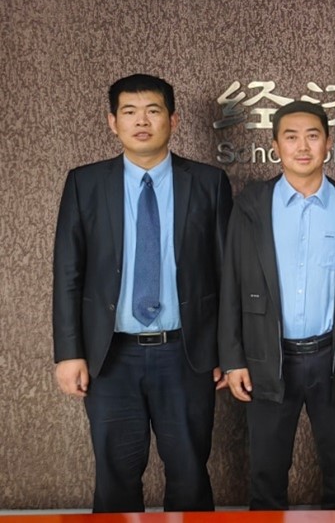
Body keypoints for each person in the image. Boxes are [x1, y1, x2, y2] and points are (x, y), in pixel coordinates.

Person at [52, 74, 232, 512]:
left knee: (190, 475)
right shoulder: (85, 183)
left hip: (186, 354)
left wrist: (228, 351)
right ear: (112, 122)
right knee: (115, 477)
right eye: (129, 112)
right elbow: (68, 272)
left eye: (153, 111)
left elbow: (227, 274)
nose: (142, 122)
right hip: (111, 356)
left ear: (173, 119)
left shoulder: (208, 182)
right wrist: (69, 353)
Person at [219, 100, 335, 510]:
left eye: (312, 136)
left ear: (328, 143)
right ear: (276, 146)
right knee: (267, 476)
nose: (302, 147)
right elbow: (231, 283)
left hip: (334, 357)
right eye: (291, 137)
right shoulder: (251, 206)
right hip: (269, 358)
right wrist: (234, 360)